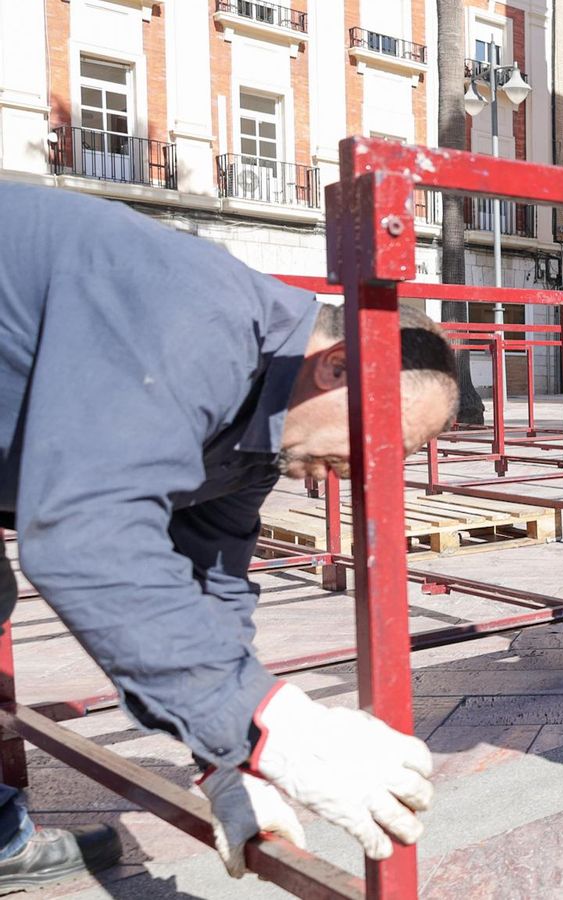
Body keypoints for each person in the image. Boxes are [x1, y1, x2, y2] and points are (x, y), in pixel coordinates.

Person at [0, 183, 455, 890]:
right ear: (334, 367)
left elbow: (208, 584)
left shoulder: (260, 437)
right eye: (377, 444)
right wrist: (272, 726)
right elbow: (86, 530)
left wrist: (227, 762)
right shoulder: (197, 318)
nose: (365, 473)